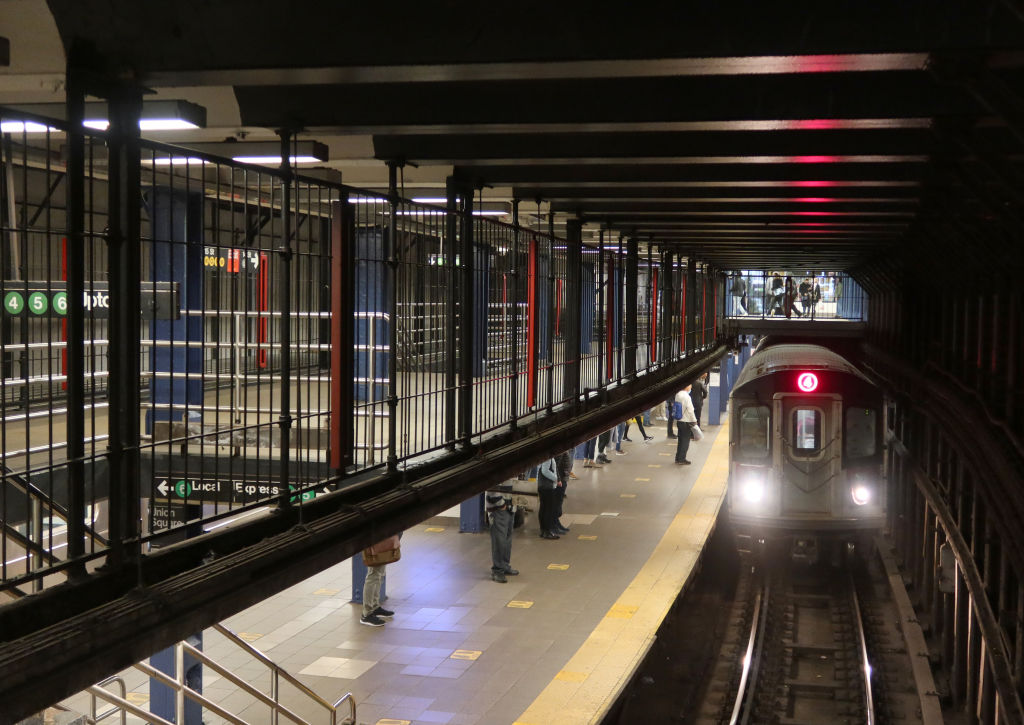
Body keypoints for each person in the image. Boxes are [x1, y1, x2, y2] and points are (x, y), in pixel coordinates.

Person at [360, 534, 400, 626]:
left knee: (379, 574)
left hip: (380, 538)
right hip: (374, 539)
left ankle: (374, 607)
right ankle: (366, 614)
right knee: (373, 575)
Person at [485, 488, 518, 583]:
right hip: (498, 509)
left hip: (510, 508)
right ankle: (497, 570)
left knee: (507, 540)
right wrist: (502, 504)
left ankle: (504, 566)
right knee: (499, 540)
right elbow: (492, 490)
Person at [536, 457, 561, 539]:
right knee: (548, 509)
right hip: (547, 487)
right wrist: (556, 479)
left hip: (543, 486)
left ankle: (543, 530)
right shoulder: (547, 457)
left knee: (543, 508)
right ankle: (547, 531)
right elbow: (545, 471)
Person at [674, 385, 697, 465]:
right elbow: (691, 410)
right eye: (690, 385)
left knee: (680, 440)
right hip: (686, 421)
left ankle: (677, 458)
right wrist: (694, 420)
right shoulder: (687, 396)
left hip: (679, 420)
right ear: (686, 386)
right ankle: (682, 459)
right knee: (685, 441)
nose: (691, 387)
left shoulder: (677, 394)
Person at [554, 450, 573, 534]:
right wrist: (558, 479)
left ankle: (557, 523)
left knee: (559, 503)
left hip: (563, 478)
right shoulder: (560, 450)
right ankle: (554, 524)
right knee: (557, 504)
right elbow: (555, 466)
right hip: (560, 480)